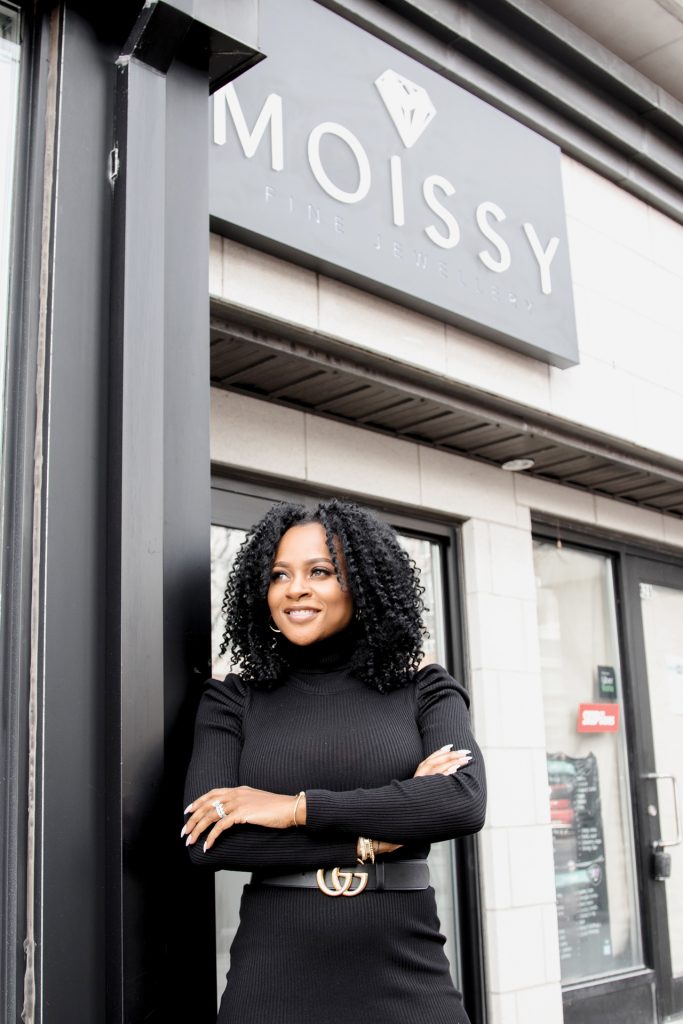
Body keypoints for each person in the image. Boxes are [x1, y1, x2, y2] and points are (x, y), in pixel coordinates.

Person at [182, 499, 486, 1023]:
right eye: (280, 575)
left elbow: (461, 801)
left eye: (320, 571)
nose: (295, 588)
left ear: (362, 583)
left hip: (407, 975)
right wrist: (382, 835)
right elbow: (209, 841)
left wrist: (296, 808)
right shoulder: (233, 699)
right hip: (273, 981)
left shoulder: (423, 687)